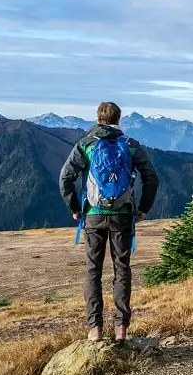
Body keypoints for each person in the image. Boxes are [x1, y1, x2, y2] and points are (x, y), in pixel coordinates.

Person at [59, 102, 159, 342]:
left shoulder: (86, 145)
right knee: (121, 269)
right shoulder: (131, 146)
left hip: (93, 216)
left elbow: (65, 179)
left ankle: (95, 328)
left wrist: (75, 208)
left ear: (98, 118)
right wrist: (143, 209)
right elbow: (151, 178)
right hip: (123, 216)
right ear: (119, 120)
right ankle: (121, 328)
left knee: (93, 270)